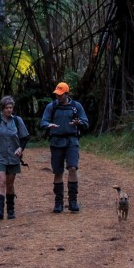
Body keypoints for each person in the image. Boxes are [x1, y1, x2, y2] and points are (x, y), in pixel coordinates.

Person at [39, 81, 88, 213]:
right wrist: (48, 125)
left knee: (72, 168)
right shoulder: (52, 106)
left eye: (61, 94)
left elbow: (86, 123)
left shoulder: (76, 107)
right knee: (58, 172)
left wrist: (79, 122)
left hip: (72, 141)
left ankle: (73, 201)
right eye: (57, 94)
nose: (58, 97)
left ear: (67, 94)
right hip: (56, 141)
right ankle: (58, 202)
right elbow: (43, 122)